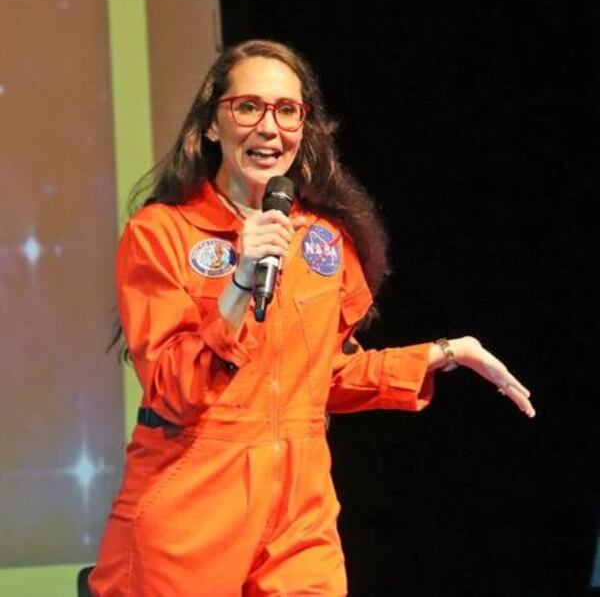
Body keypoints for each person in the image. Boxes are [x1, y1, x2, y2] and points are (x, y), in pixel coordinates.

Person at [88, 39, 535, 596]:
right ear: (211, 126)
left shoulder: (325, 240)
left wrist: (442, 354)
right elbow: (173, 390)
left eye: (287, 110)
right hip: (192, 506)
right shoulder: (161, 234)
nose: (269, 128)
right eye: (247, 107)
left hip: (299, 513)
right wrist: (239, 283)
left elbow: (319, 377)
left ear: (304, 128)